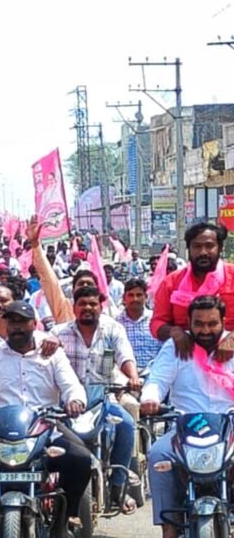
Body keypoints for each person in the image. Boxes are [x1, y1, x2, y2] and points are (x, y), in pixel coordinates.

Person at [0, 301, 92, 537]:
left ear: (34, 324)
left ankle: (64, 517)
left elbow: (72, 385)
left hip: (44, 426)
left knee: (80, 458)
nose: (16, 327)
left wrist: (75, 401)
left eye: (22, 321)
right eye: (12, 322)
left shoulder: (52, 353)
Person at [142, 295, 234, 538]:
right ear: (189, 323)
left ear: (223, 321)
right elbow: (157, 379)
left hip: (229, 424)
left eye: (212, 324)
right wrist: (150, 399)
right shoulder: (176, 346)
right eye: (199, 324)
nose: (206, 330)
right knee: (158, 454)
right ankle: (169, 528)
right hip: (184, 427)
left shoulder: (232, 343)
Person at [51, 285, 140, 513]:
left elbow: (124, 356)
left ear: (101, 307)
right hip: (67, 404)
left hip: (103, 400)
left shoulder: (113, 330)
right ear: (74, 308)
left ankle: (118, 485)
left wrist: (133, 377)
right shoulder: (58, 333)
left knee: (127, 425)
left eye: (93, 304)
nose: (88, 308)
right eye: (82, 304)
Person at [151, 223, 234, 361]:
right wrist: (174, 332)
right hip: (185, 358)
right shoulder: (171, 283)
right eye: (197, 246)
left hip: (228, 356)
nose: (203, 252)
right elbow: (157, 323)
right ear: (188, 248)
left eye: (209, 246)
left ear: (220, 248)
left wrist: (232, 337)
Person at [117, 278, 164, 370]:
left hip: (153, 373)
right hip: (124, 375)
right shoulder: (116, 323)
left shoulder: (156, 321)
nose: (135, 299)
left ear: (146, 297)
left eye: (139, 295)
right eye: (131, 295)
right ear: (124, 298)